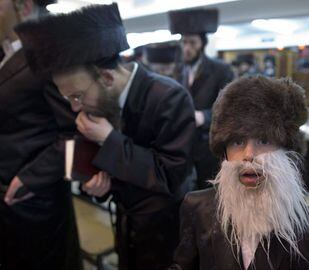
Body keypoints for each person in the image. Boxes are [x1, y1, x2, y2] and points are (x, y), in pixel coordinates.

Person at [16, 3, 196, 270]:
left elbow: (170, 176)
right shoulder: (98, 104)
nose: (75, 108)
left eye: (76, 96)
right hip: (125, 226)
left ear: (107, 78)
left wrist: (109, 139)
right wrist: (101, 186)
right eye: (68, 99)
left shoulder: (170, 97)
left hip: (167, 232)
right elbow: (109, 173)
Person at [170, 76, 309, 270]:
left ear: (286, 151)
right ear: (224, 153)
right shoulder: (198, 209)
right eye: (238, 142)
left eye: (263, 141)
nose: (248, 155)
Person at [0, 0, 82, 269]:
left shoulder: (51, 54)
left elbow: (77, 132)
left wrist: (31, 178)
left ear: (22, 7)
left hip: (35, 203)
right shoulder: (5, 51)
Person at [168, 8, 234, 189]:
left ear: (202, 44)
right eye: (184, 42)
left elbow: (229, 108)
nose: (187, 48)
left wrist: (203, 116)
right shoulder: (178, 70)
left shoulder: (221, 70)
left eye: (192, 42)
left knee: (207, 192)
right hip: (183, 143)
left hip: (208, 146)